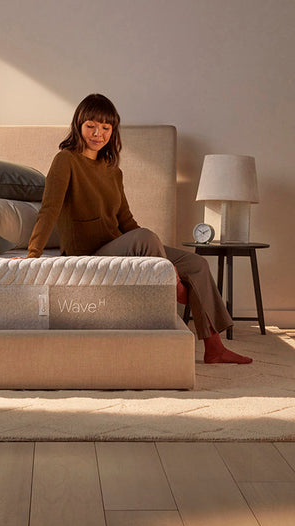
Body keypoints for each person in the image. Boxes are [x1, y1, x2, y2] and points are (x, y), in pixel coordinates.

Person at [26, 93, 252, 364]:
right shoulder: (66, 160)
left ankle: (214, 347)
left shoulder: (112, 170)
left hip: (116, 245)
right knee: (146, 239)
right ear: (78, 124)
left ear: (113, 131)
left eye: (105, 128)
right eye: (91, 126)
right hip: (87, 254)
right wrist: (32, 254)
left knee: (197, 264)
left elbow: (127, 222)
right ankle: (174, 283)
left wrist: (151, 244)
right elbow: (49, 208)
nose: (98, 133)